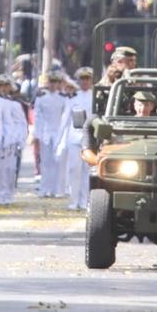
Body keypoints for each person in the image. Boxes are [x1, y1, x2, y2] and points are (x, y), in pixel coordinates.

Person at [57, 68, 94, 211]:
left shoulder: (95, 96)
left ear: (91, 80)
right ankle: (73, 200)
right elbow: (65, 119)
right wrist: (59, 141)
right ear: (78, 80)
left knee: (87, 171)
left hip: (90, 138)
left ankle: (85, 201)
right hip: (74, 137)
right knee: (73, 170)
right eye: (82, 79)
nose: (85, 82)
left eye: (87, 79)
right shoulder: (72, 97)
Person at [33, 72, 68, 198]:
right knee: (45, 162)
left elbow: (65, 117)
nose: (53, 85)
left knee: (58, 162)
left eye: (55, 82)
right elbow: (37, 117)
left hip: (59, 132)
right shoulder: (41, 98)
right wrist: (37, 134)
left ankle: (57, 189)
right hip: (46, 132)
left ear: (58, 84)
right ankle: (45, 188)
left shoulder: (64, 98)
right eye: (51, 82)